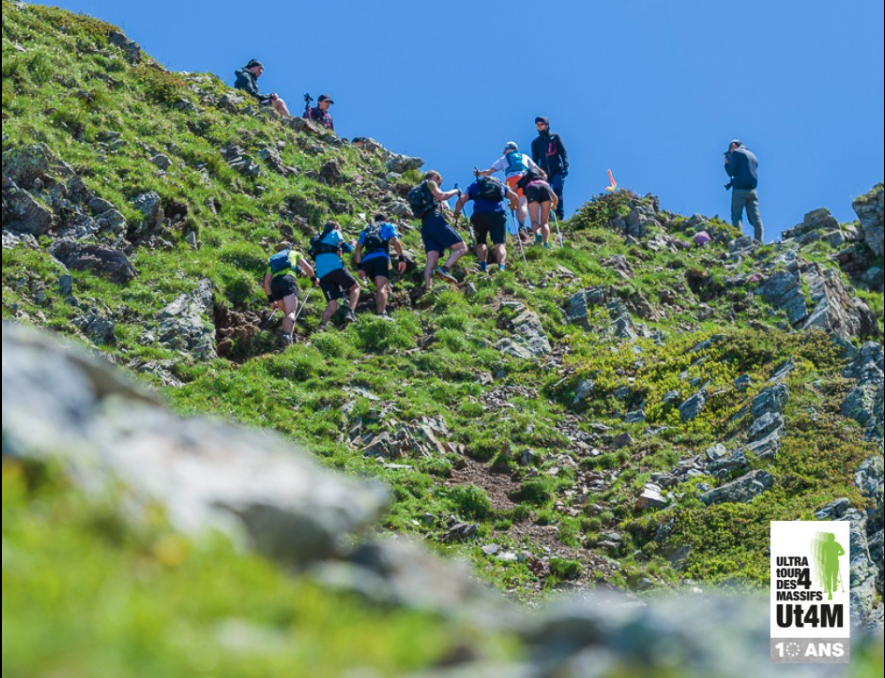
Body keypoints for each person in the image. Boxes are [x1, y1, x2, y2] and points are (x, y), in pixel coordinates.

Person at [408, 170, 469, 289]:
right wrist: (456, 191)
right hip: (435, 220)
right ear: (435, 177)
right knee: (462, 248)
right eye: (439, 183)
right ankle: (444, 269)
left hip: (425, 226)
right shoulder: (430, 183)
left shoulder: (416, 190)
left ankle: (428, 288)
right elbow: (442, 196)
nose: (438, 186)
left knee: (431, 259)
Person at [453, 175, 519, 273]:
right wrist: (513, 206)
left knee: (481, 242)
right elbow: (514, 197)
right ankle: (501, 267)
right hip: (498, 215)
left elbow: (461, 200)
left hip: (480, 215)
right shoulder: (500, 184)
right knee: (500, 244)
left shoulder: (474, 184)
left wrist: (457, 213)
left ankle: (483, 267)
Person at [478, 142, 545, 238]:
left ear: (506, 150)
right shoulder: (524, 156)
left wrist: (479, 173)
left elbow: (489, 172)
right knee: (522, 203)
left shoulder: (503, 159)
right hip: (524, 179)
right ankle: (522, 226)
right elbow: (536, 169)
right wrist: (543, 175)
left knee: (516, 204)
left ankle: (520, 227)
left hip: (510, 181)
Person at [263, 244, 317, 347]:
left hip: (275, 284)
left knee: (287, 313)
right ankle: (287, 338)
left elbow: (266, 282)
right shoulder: (294, 253)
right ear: (289, 247)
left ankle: (287, 335)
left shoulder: (273, 259)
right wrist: (314, 279)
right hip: (288, 280)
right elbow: (306, 266)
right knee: (290, 312)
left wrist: (271, 300)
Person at [354, 214, 407, 318]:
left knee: (382, 286)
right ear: (385, 219)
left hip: (367, 260)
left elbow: (358, 249)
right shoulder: (387, 226)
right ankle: (381, 314)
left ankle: (382, 304)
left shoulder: (367, 230)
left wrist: (359, 268)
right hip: (380, 258)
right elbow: (396, 241)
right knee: (381, 286)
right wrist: (401, 259)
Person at [309, 221, 361, 328]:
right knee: (355, 287)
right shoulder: (334, 232)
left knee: (332, 305)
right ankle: (350, 312)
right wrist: (352, 244)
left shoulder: (318, 239)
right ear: (336, 227)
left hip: (321, 274)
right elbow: (348, 249)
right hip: (334, 268)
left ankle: (322, 325)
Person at [724, 139, 764, 242]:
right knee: (756, 219)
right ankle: (759, 243)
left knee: (736, 216)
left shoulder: (736, 153)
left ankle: (739, 241)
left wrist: (727, 163)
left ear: (733, 145)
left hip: (739, 191)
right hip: (753, 191)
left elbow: (731, 172)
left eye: (730, 151)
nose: (730, 154)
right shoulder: (753, 156)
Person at [531, 117, 568, 221]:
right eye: (537, 125)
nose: (539, 126)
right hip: (544, 174)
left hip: (557, 170)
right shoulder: (535, 142)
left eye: (541, 124)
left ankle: (559, 216)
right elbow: (535, 161)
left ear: (547, 125)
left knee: (557, 191)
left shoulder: (555, 137)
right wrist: (535, 174)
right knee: (545, 195)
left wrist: (566, 165)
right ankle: (549, 217)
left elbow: (563, 152)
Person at [518, 171, 559, 249]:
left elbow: (513, 190)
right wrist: (554, 206)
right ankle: (546, 244)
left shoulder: (524, 179)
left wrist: (512, 203)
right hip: (545, 188)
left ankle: (537, 234)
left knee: (534, 221)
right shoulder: (543, 180)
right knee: (544, 222)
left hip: (531, 189)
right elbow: (555, 198)